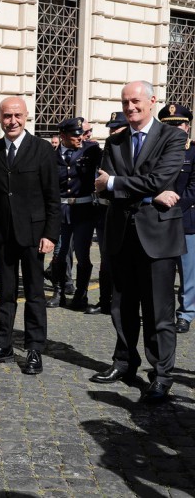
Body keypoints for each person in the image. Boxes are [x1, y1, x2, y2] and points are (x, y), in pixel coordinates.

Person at [90, 81, 186, 404]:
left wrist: (120, 183)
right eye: (125, 102)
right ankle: (124, 361)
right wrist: (147, 192)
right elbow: (102, 186)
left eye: (135, 101)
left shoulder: (173, 136)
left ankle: (161, 375)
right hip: (120, 233)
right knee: (122, 306)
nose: (130, 107)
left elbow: (159, 178)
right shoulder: (115, 142)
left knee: (159, 310)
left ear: (151, 101)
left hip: (158, 236)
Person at [0, 96, 60, 374]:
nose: (12, 121)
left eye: (17, 116)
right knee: (5, 294)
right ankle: (3, 346)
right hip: (2, 235)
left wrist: (51, 234)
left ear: (26, 118)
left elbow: (52, 197)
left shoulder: (42, 150)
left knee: (35, 294)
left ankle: (34, 349)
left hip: (34, 235)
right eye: (7, 116)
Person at [47, 117, 102, 310]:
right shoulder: (51, 155)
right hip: (60, 212)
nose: (80, 138)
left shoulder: (91, 150)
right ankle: (59, 292)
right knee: (59, 255)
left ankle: (81, 295)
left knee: (83, 255)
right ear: (63, 136)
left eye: (82, 134)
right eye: (75, 135)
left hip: (83, 211)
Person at [85, 111, 129, 315]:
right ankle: (104, 301)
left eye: (116, 128)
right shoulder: (104, 152)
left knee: (124, 260)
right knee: (106, 259)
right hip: (104, 211)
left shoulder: (131, 153)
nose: (112, 132)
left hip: (124, 211)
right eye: (111, 129)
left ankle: (122, 304)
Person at [157, 103, 195, 334]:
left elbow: (193, 189)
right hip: (159, 219)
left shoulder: (193, 152)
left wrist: (170, 203)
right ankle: (163, 312)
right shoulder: (157, 152)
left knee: (187, 271)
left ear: (187, 127)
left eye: (178, 125)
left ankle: (186, 313)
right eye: (168, 127)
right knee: (162, 270)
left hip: (185, 219)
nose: (174, 130)